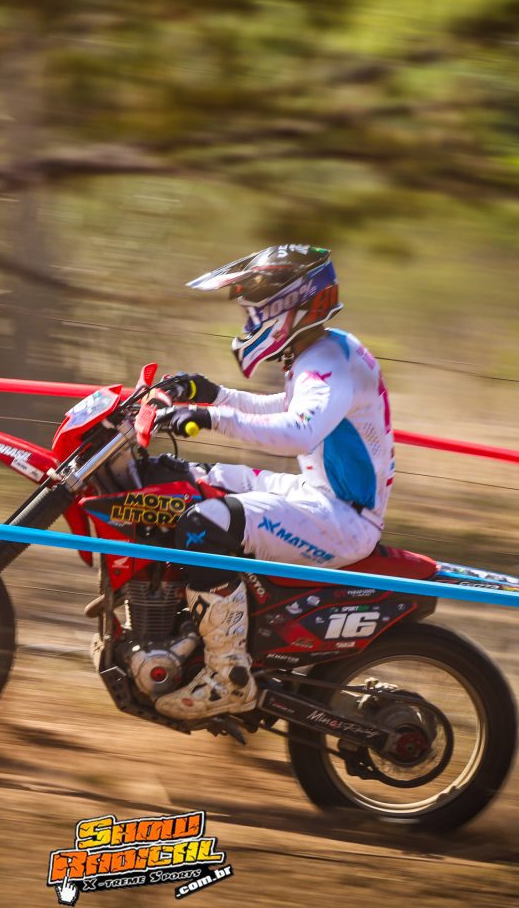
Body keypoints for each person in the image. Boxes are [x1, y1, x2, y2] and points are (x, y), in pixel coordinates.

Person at [154, 244, 395, 722]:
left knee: (206, 524)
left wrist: (210, 417)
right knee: (188, 479)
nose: (248, 324)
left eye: (255, 312)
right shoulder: (322, 350)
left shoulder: (327, 363)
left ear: (289, 306)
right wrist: (213, 394)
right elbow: (284, 409)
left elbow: (297, 432)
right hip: (319, 495)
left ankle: (228, 677)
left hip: (341, 519)